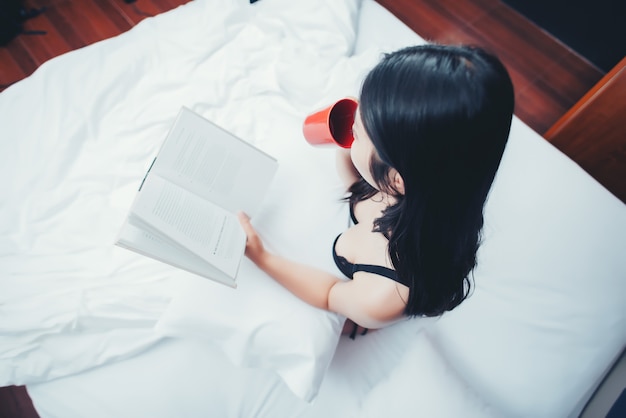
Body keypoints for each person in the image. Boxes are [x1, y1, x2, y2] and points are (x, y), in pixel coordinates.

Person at [238, 44, 515, 337]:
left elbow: (331, 294)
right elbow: (356, 183)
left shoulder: (383, 294)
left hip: (356, 302)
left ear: (396, 179)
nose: (355, 122)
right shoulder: (435, 189)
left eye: (359, 132)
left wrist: (262, 257)